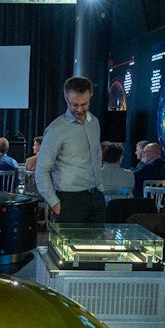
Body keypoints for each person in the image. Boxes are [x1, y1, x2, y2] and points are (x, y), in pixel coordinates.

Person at [34, 76, 105, 223]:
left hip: (96, 197)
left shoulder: (95, 123)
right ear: (66, 99)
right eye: (75, 104)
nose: (79, 109)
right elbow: (41, 170)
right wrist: (55, 203)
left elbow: (96, 157)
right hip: (69, 201)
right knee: (66, 245)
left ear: (90, 96)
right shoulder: (56, 129)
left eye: (84, 104)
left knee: (97, 244)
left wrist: (100, 188)